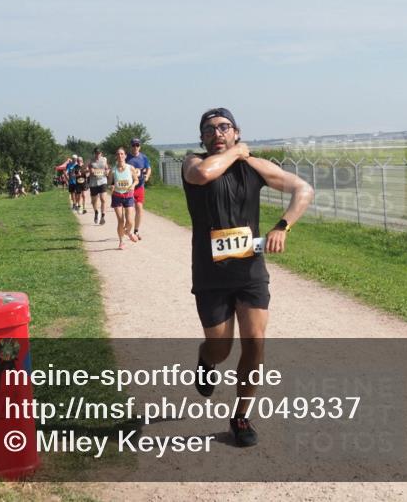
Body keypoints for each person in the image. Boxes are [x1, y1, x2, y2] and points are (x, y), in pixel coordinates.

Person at [182, 107, 312, 447]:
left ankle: (241, 416)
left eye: (224, 127)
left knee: (255, 342)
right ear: (202, 138)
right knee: (221, 348)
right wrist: (239, 151)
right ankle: (205, 359)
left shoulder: (253, 168)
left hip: (250, 271)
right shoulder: (192, 162)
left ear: (236, 131)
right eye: (209, 129)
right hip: (211, 274)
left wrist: (283, 226)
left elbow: (303, 189)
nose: (217, 133)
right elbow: (203, 176)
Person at [108, 148, 140, 250]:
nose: (120, 156)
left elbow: (136, 180)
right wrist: (111, 186)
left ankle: (128, 232)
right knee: (121, 220)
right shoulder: (113, 170)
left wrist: (133, 185)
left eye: (122, 154)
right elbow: (110, 182)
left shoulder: (130, 168)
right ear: (116, 156)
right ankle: (121, 242)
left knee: (130, 221)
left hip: (128, 195)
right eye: (118, 154)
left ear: (125, 156)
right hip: (117, 196)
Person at [127, 138, 151, 240]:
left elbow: (149, 168)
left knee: (139, 209)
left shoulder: (144, 157)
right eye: (134, 145)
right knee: (129, 210)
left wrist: (147, 176)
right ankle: (127, 229)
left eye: (137, 145)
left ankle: (136, 231)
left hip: (140, 186)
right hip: (129, 187)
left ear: (140, 146)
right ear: (131, 146)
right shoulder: (127, 157)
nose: (135, 147)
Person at [88, 147, 109, 224]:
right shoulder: (91, 161)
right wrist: (92, 171)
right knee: (94, 201)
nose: (97, 154)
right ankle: (96, 212)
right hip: (93, 183)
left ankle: (103, 217)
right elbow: (91, 171)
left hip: (103, 181)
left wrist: (107, 171)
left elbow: (107, 168)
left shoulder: (104, 159)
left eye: (99, 153)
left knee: (103, 199)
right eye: (96, 153)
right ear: (94, 153)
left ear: (101, 153)